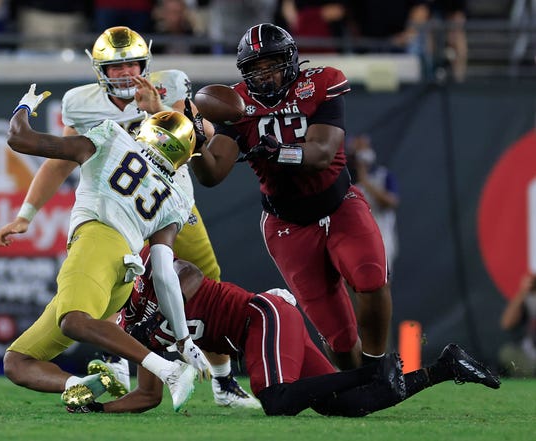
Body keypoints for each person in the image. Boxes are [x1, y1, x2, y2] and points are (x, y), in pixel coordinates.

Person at [0, 25, 258, 408]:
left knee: (205, 285)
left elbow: (193, 137)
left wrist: (157, 109)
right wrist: (26, 213)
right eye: (115, 67)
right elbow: (57, 163)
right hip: (152, 207)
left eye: (131, 64)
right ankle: (124, 361)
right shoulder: (85, 107)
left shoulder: (141, 109)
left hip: (169, 196)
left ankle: (220, 379)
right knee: (132, 285)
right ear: (99, 70)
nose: (125, 73)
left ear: (145, 62)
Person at [69, 251, 500, 415]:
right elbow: (149, 395)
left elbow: (188, 275)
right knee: (344, 408)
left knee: (276, 399)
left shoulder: (149, 270)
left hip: (262, 316)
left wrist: (157, 313)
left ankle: (376, 369)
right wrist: (98, 412)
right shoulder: (135, 330)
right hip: (261, 334)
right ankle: (444, 367)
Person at [189, 23, 392, 370]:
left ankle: (379, 367)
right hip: (288, 224)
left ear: (291, 59)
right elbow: (213, 173)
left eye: (271, 63)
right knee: (339, 339)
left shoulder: (320, 82)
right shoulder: (238, 105)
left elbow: (323, 153)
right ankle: (363, 385)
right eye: (256, 67)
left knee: (370, 277)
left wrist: (280, 152)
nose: (265, 74)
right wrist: (194, 142)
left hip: (339, 204)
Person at [0, 86, 213, 412]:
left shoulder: (112, 136)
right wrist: (183, 340)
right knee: (18, 361)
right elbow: (164, 273)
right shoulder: (177, 197)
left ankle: (167, 370)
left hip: (98, 243)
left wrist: (23, 107)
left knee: (73, 321)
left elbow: (21, 139)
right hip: (123, 278)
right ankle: (78, 386)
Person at [348, 134, 399, 275]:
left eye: (365, 147)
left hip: (382, 234)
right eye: (358, 148)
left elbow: (391, 202)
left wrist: (365, 181)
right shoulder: (347, 181)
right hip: (355, 237)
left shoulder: (383, 175)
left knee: (382, 276)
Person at [498, 273, 536, 377]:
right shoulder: (530, 297)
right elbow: (506, 323)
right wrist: (523, 292)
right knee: (507, 352)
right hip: (530, 354)